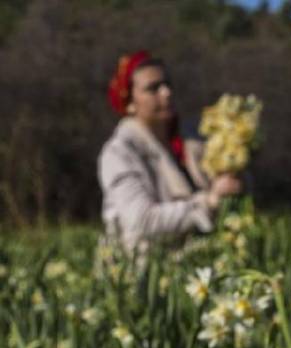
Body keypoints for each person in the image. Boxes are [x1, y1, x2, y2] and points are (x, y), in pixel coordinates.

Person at [98, 50, 242, 253]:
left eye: (167, 84)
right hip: (146, 273)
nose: (166, 93)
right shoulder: (119, 153)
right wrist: (208, 203)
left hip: (203, 257)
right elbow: (141, 222)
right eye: (153, 88)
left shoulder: (194, 139)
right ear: (130, 103)